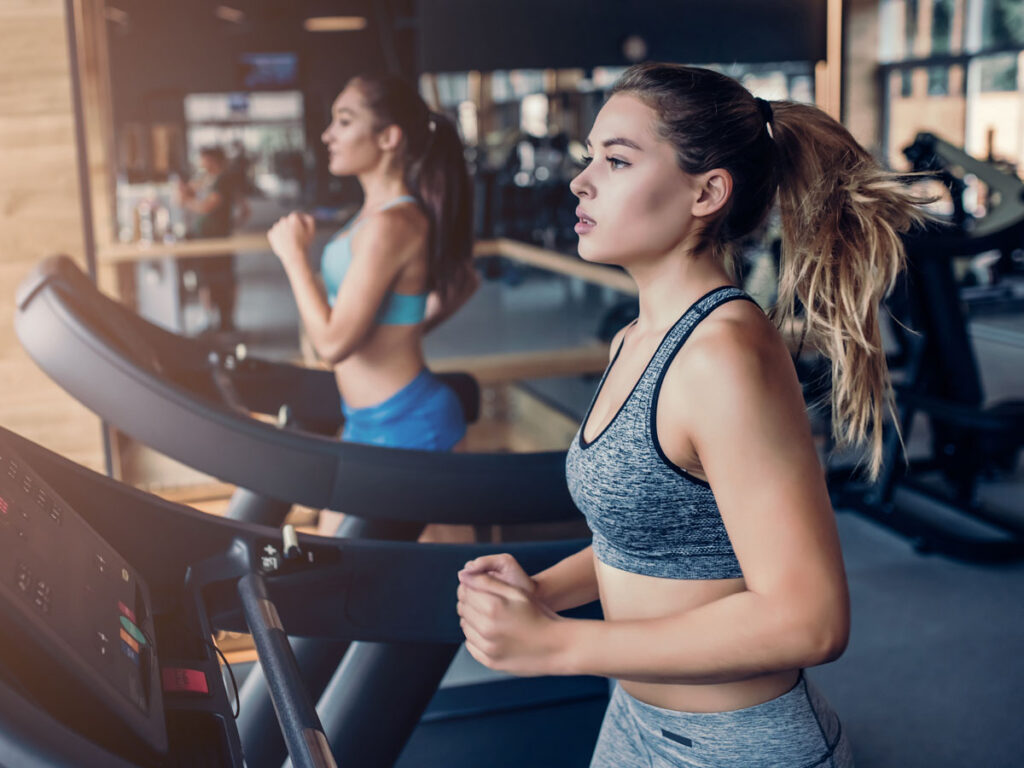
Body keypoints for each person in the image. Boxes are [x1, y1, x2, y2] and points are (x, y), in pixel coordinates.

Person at [457, 63, 927, 767]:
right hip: (635, 721)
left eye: (616, 160)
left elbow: (812, 619)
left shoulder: (722, 355)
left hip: (739, 747)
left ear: (707, 192)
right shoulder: (633, 341)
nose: (582, 180)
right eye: (591, 157)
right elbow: (651, 540)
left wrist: (561, 645)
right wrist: (543, 590)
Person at [266, 73, 478, 455]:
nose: (327, 135)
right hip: (362, 421)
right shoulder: (370, 217)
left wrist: (294, 256)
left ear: (388, 138)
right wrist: (401, 333)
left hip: (411, 424)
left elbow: (332, 346)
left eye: (344, 121)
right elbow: (464, 285)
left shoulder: (391, 224)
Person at [178, 145, 250, 333]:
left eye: (204, 160)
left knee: (223, 279)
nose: (201, 164)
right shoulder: (207, 179)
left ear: (213, 160)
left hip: (216, 239)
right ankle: (211, 319)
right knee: (207, 280)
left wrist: (187, 202)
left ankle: (226, 321)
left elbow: (206, 207)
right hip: (206, 237)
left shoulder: (223, 180)